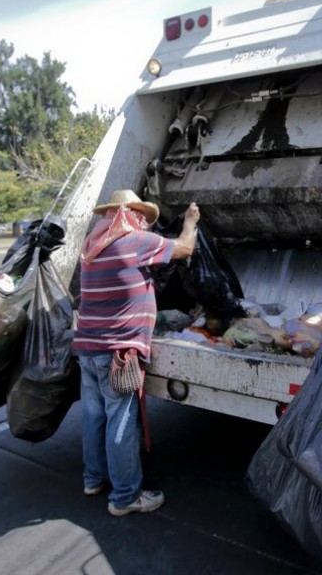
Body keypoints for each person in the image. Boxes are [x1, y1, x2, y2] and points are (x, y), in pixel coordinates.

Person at [73, 189, 200, 517]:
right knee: (121, 420)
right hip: (117, 352)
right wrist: (190, 222)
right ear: (125, 214)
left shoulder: (91, 247)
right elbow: (185, 248)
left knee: (93, 415)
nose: (143, 221)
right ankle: (125, 497)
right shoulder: (133, 242)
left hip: (87, 346)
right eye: (139, 215)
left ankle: (93, 479)